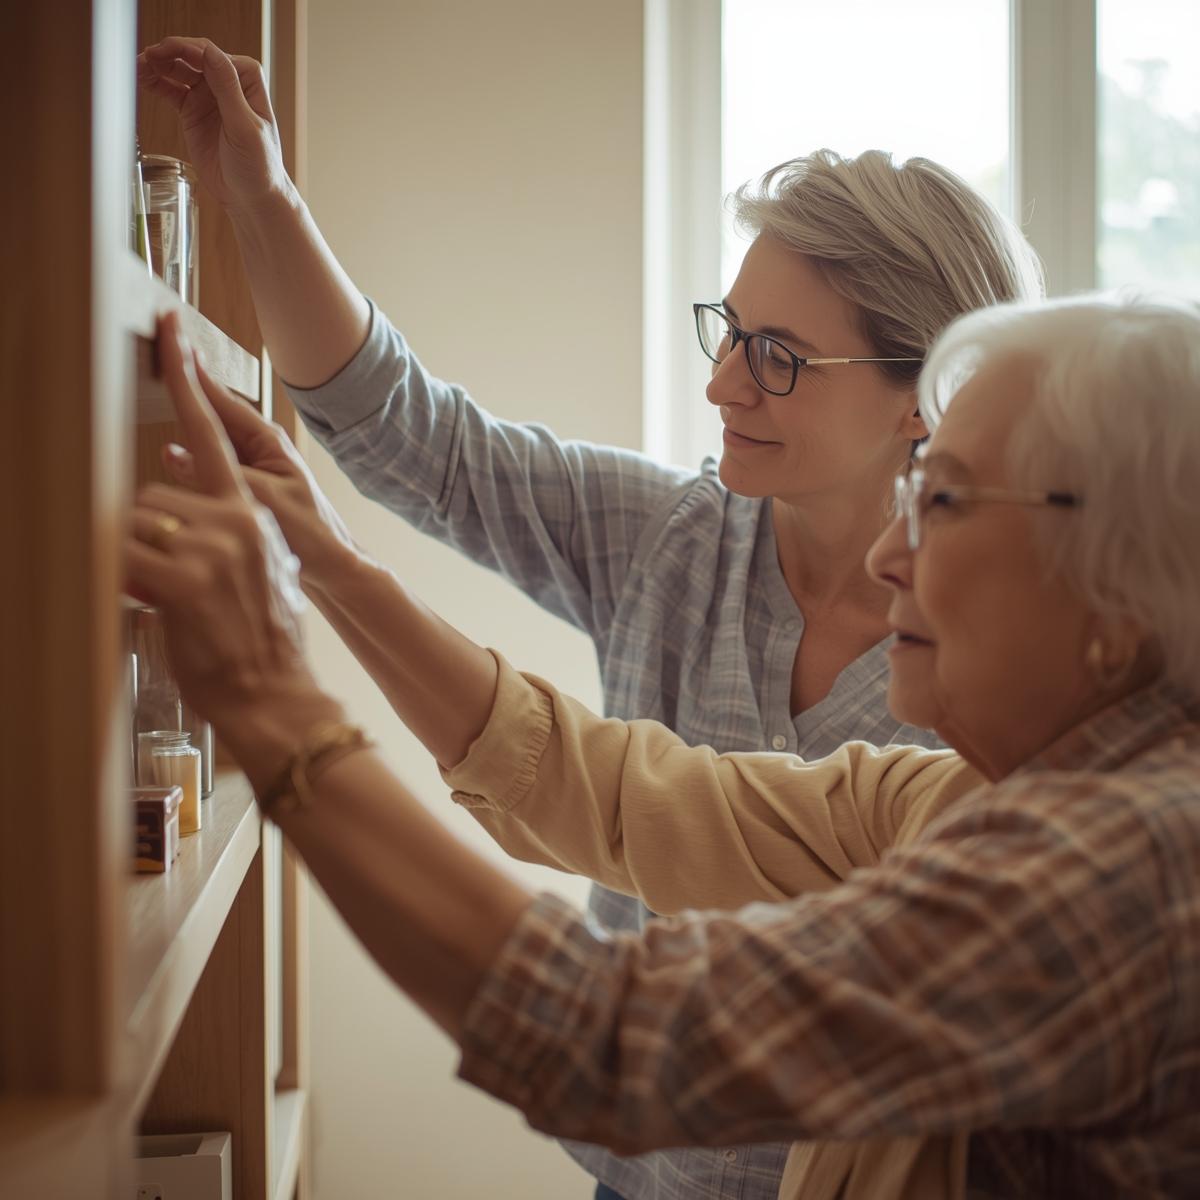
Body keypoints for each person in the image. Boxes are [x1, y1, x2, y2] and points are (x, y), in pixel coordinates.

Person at [137, 38, 1042, 1196]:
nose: (721, 384)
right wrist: (259, 198)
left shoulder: (1011, 687)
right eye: (729, 330)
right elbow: (412, 435)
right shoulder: (671, 537)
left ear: (928, 394)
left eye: (777, 359)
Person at [128, 290, 1200, 1197]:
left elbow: (611, 1036)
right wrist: (328, 561)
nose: (888, 554)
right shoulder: (972, 796)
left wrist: (274, 703)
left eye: (949, 501)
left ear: (1124, 603)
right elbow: (615, 792)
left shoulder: (1122, 864)